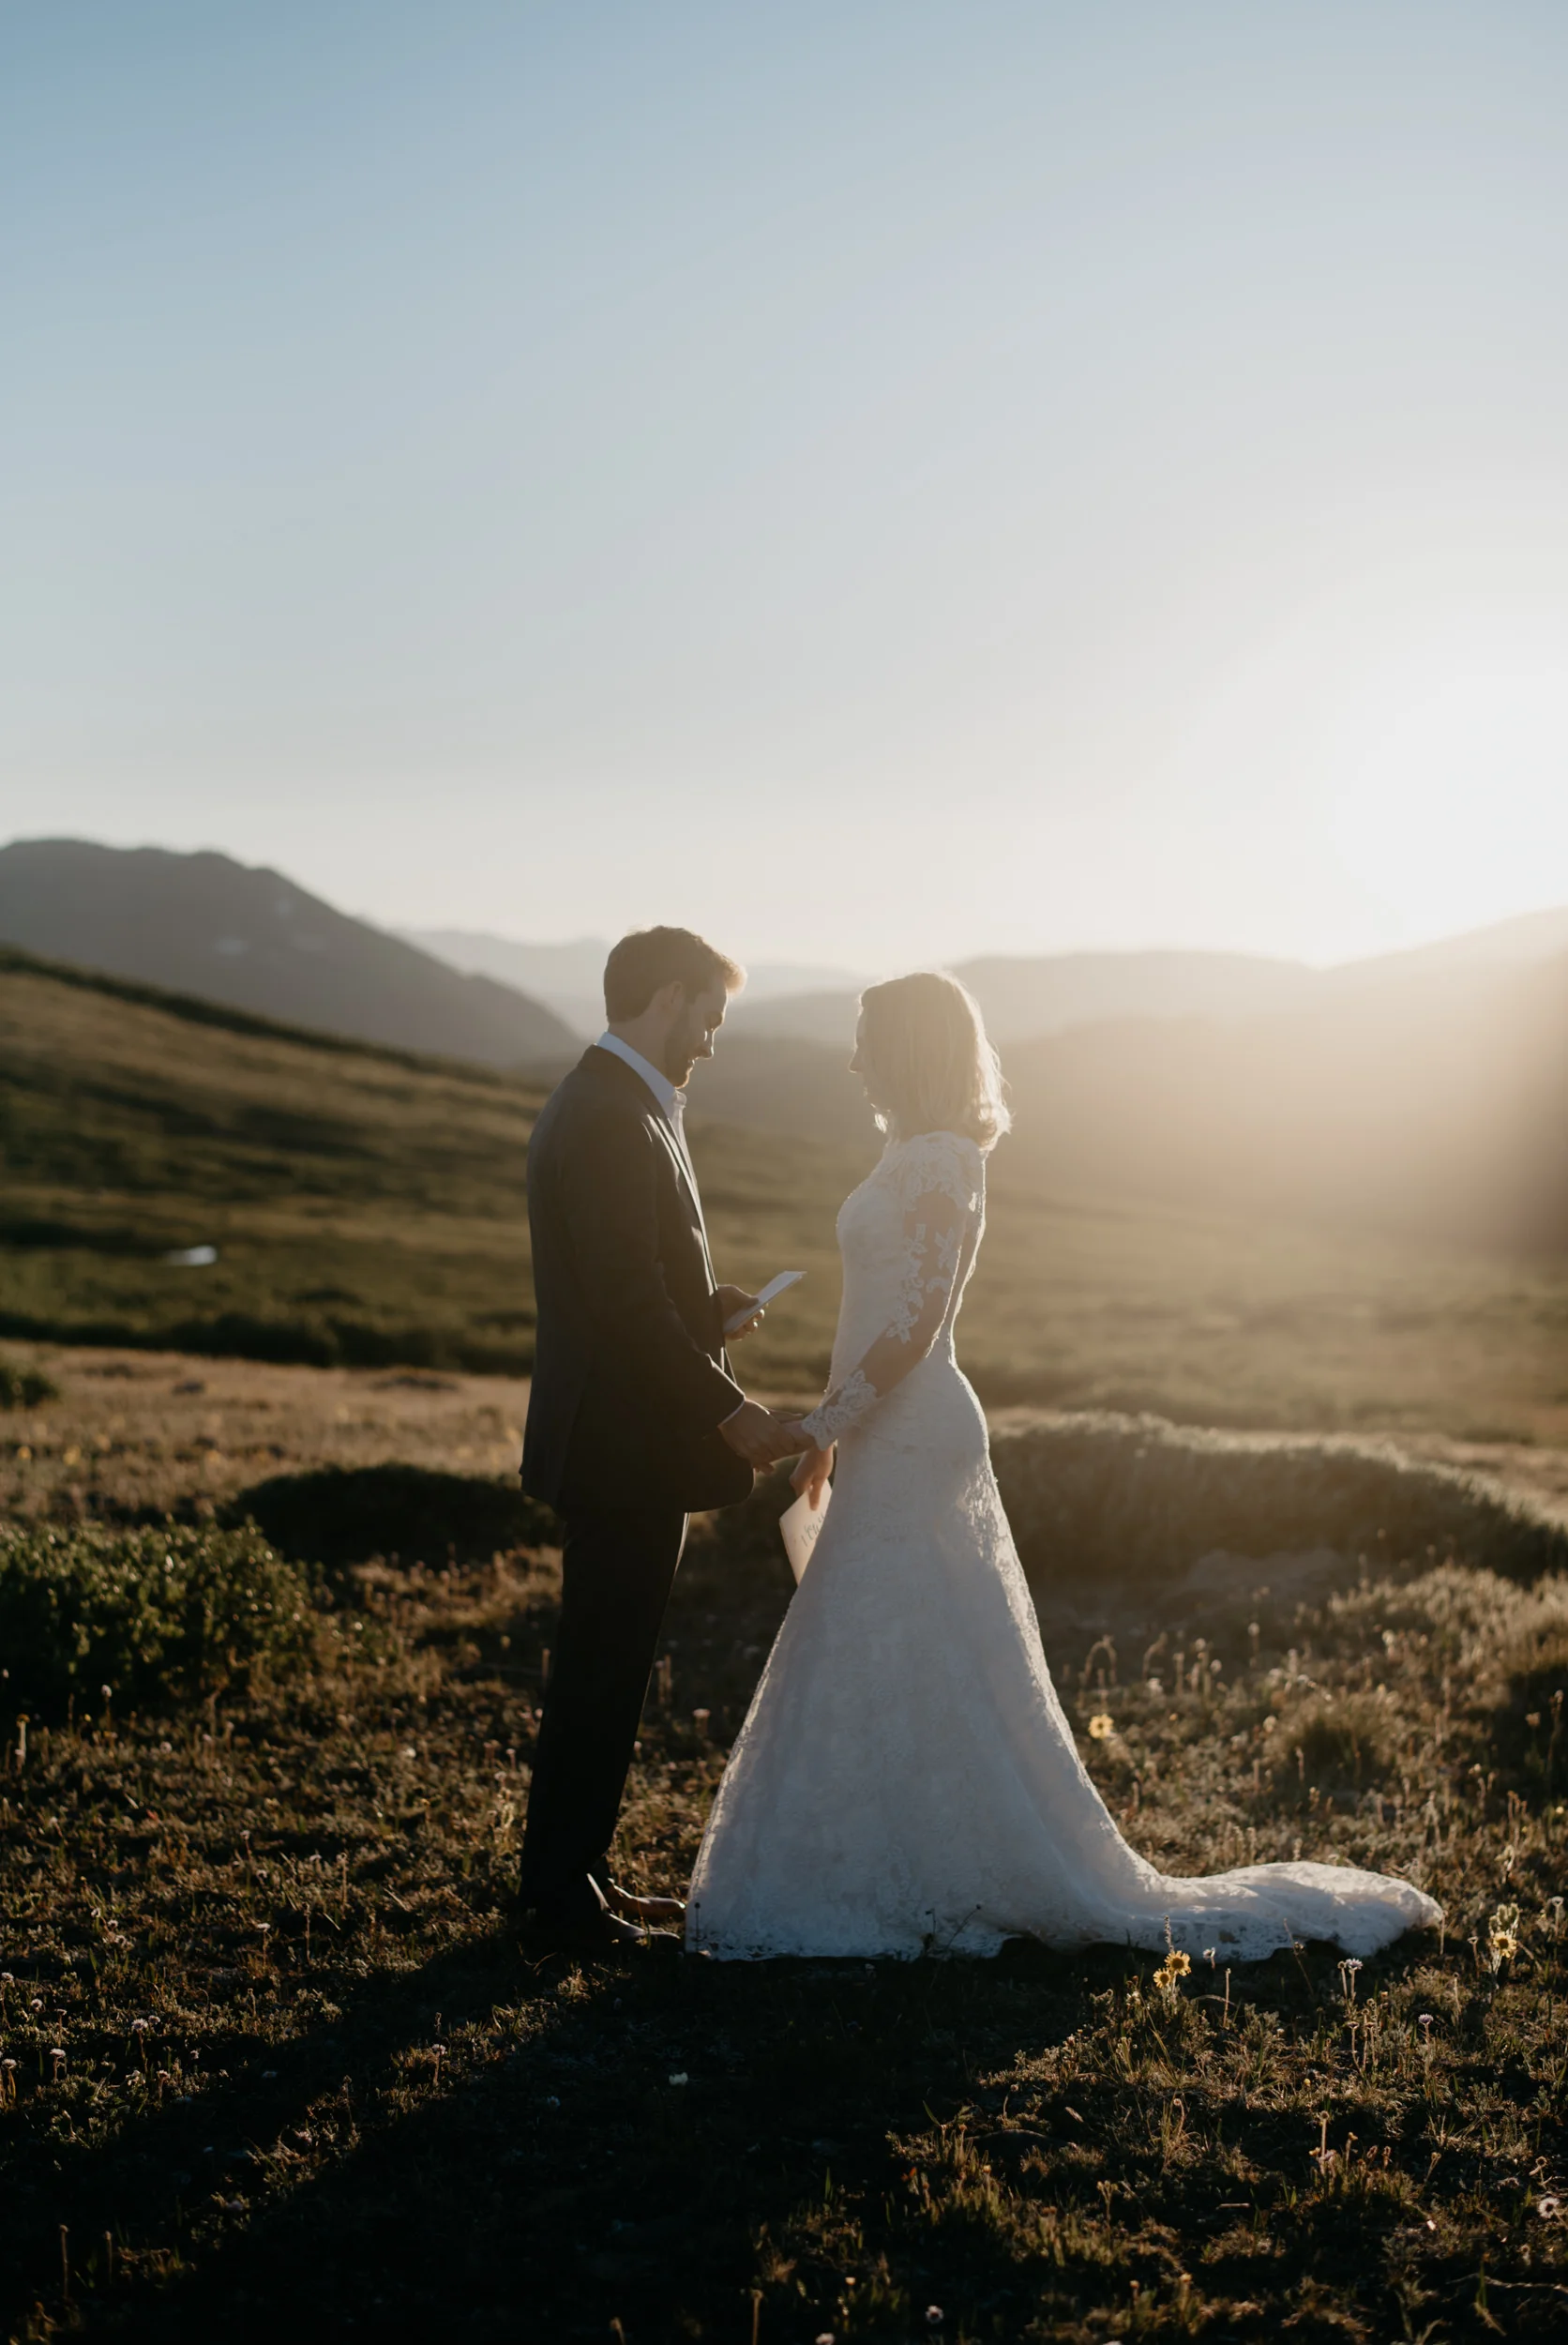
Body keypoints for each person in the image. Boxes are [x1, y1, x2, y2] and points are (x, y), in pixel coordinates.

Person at [686, 971, 1442, 1962]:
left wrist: (822, 1418)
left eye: (868, 1035)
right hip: (880, 1427)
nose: (853, 1053)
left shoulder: (946, 1158)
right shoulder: (907, 1152)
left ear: (908, 1046)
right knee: (900, 1636)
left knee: (904, 1628)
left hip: (915, 1427)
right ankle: (894, 1848)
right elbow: (876, 1312)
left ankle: (941, 1862)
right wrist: (835, 1428)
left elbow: (915, 1326)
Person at [518, 926, 797, 1953]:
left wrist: (704, 1307)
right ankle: (557, 1898)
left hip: (624, 1441)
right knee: (599, 1669)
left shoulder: (613, 1100)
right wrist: (729, 1411)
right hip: (619, 1448)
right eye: (709, 1017)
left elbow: (631, 1288)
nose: (713, 1041)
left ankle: (577, 1874)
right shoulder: (605, 1113)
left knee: (612, 1666)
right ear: (669, 998)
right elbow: (625, 1309)